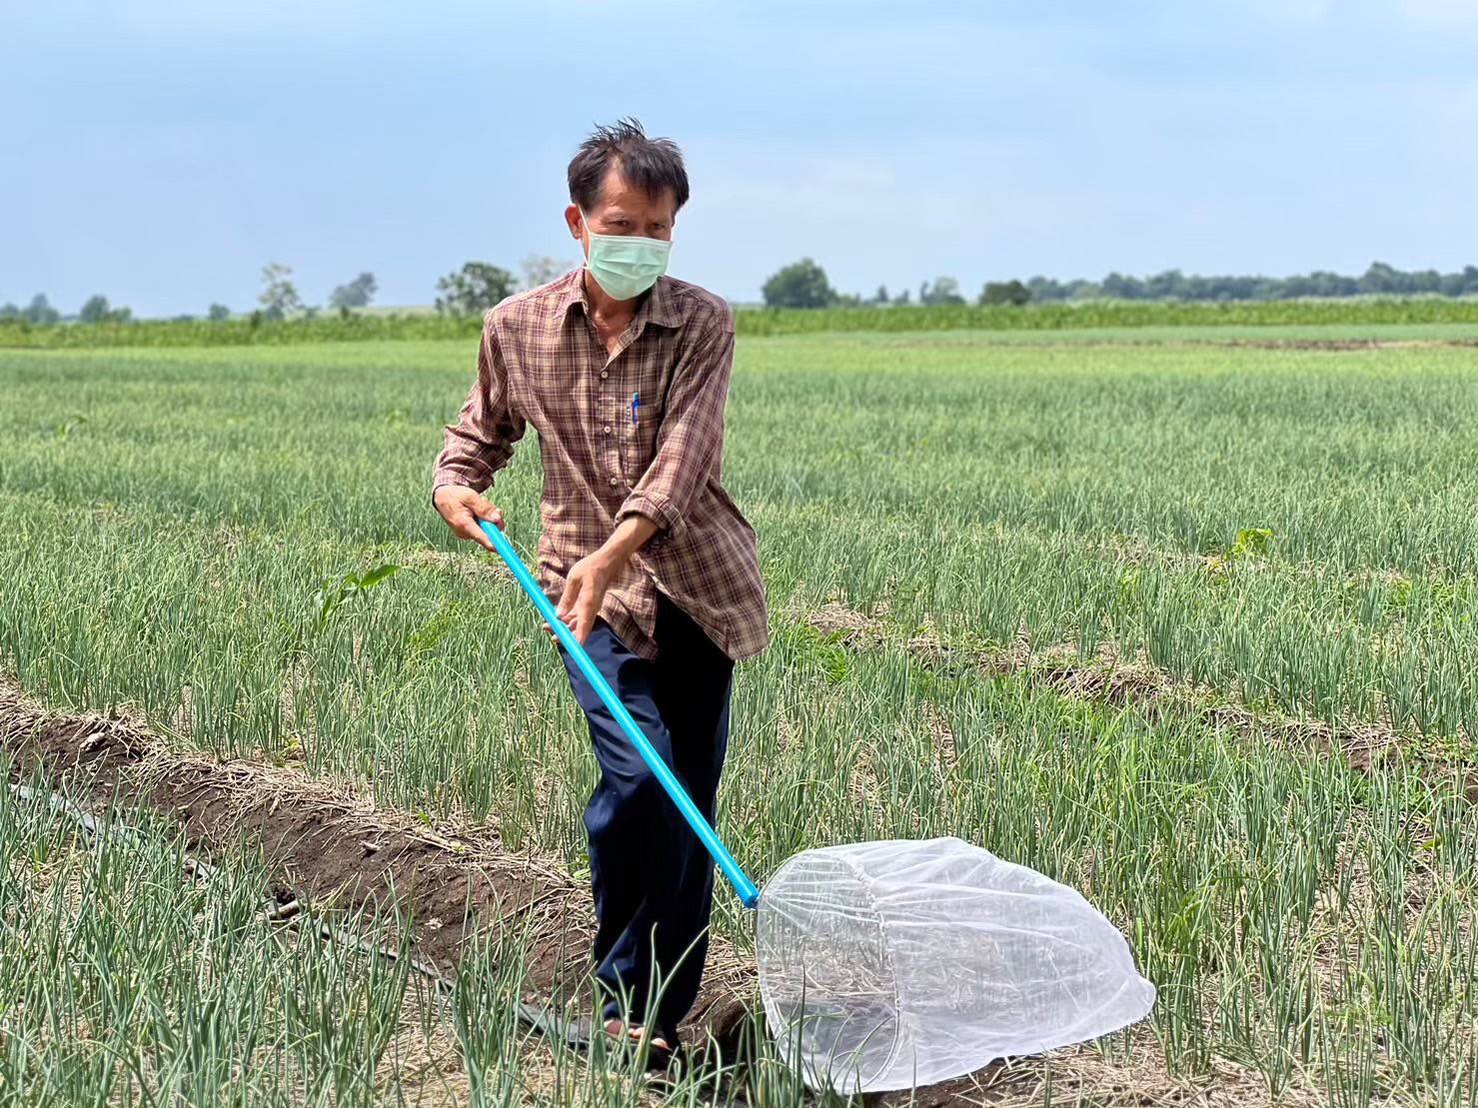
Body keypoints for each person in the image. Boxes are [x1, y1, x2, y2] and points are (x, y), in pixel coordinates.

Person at [431, 119, 768, 1057]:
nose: (643, 245)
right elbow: (477, 437)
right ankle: (623, 1000)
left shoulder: (703, 322)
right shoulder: (516, 327)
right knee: (636, 783)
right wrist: (455, 485)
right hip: (585, 597)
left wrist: (619, 548)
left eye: (660, 229)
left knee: (688, 804)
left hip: (698, 589)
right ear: (578, 221)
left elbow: (684, 460)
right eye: (625, 224)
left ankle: (665, 1015)